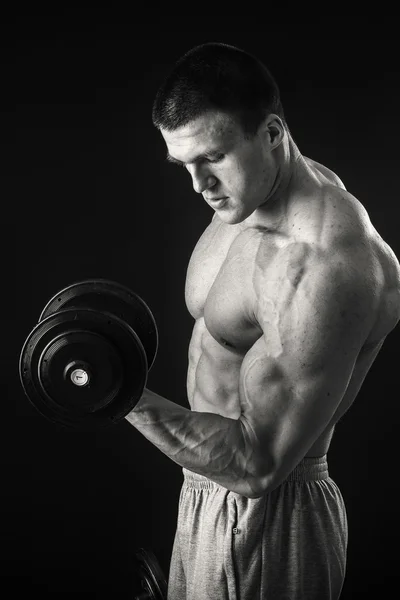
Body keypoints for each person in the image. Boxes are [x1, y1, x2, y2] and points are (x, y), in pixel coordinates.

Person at [125, 42, 400, 599]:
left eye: (213, 157)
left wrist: (118, 395)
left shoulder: (322, 264)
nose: (199, 184)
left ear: (272, 133)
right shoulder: (245, 201)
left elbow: (258, 464)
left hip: (268, 523)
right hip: (203, 494)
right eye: (185, 165)